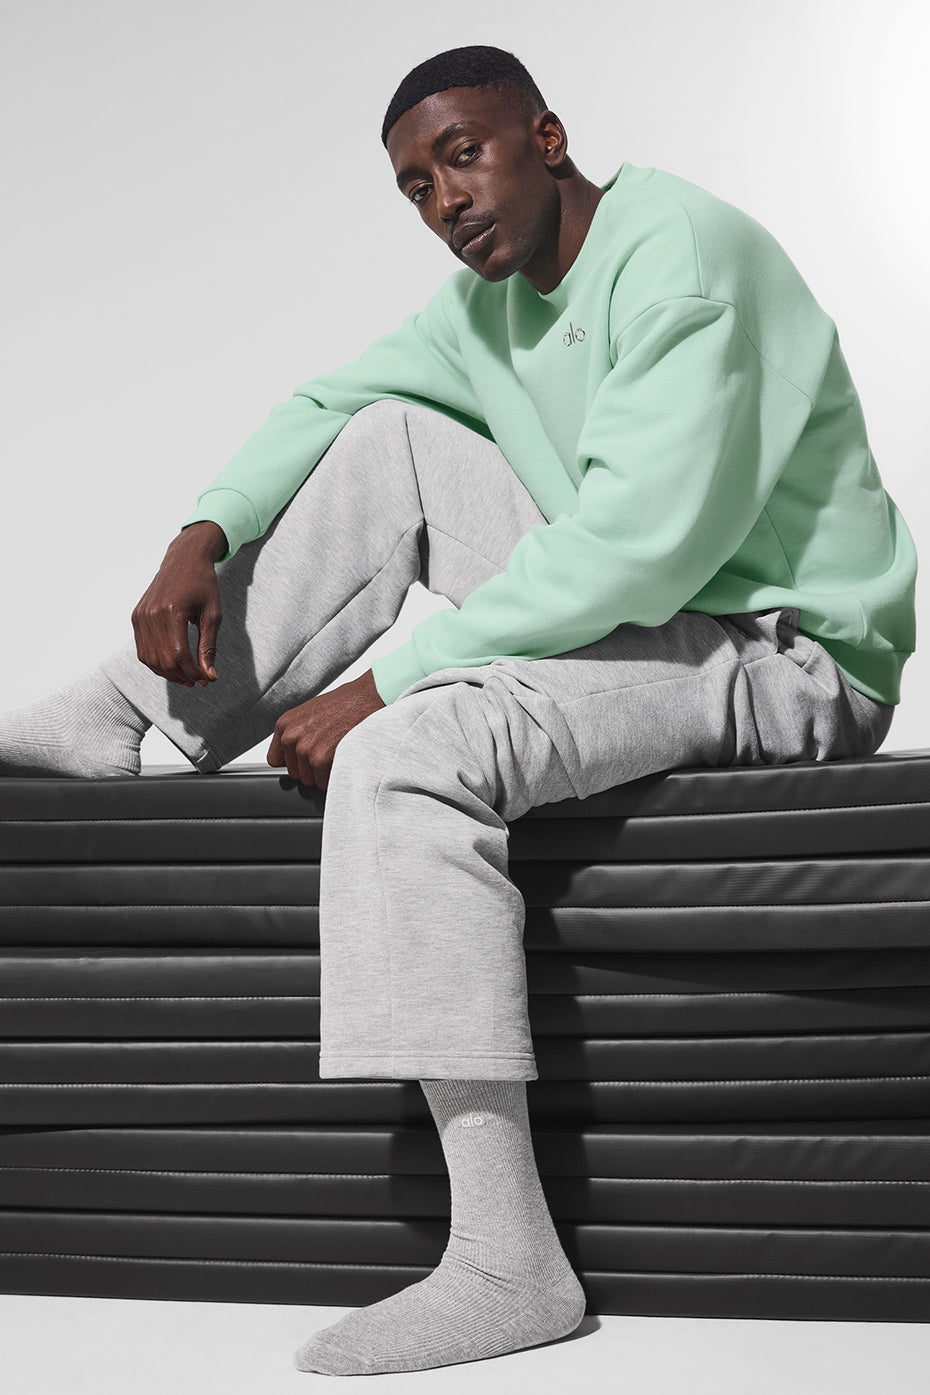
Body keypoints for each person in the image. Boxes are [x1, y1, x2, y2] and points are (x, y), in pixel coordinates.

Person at [0, 43, 918, 1377]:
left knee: (406, 755)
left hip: (782, 654)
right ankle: (116, 708)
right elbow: (330, 402)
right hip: (664, 612)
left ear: (547, 137)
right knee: (387, 438)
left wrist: (388, 684)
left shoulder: (681, 258)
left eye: (464, 156)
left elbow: (639, 550)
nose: (447, 200)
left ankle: (506, 1261)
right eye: (416, 187)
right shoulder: (486, 307)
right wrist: (200, 532)